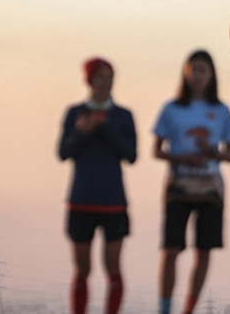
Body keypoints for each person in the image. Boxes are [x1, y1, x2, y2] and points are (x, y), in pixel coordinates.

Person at [153, 50, 230, 314]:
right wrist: (183, 157)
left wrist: (211, 152)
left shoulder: (221, 110)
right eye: (194, 70)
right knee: (171, 248)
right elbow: (157, 150)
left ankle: (188, 308)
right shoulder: (171, 108)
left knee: (204, 251)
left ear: (211, 75)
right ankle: (164, 307)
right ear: (186, 73)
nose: (199, 75)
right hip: (178, 186)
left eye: (204, 70)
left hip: (210, 188)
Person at [58, 57, 137, 314]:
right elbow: (64, 152)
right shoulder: (75, 113)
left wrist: (105, 128)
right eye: (102, 76)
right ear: (90, 80)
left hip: (114, 202)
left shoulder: (123, 116)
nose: (107, 82)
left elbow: (131, 154)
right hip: (81, 200)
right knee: (82, 269)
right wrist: (82, 131)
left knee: (113, 266)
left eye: (110, 76)